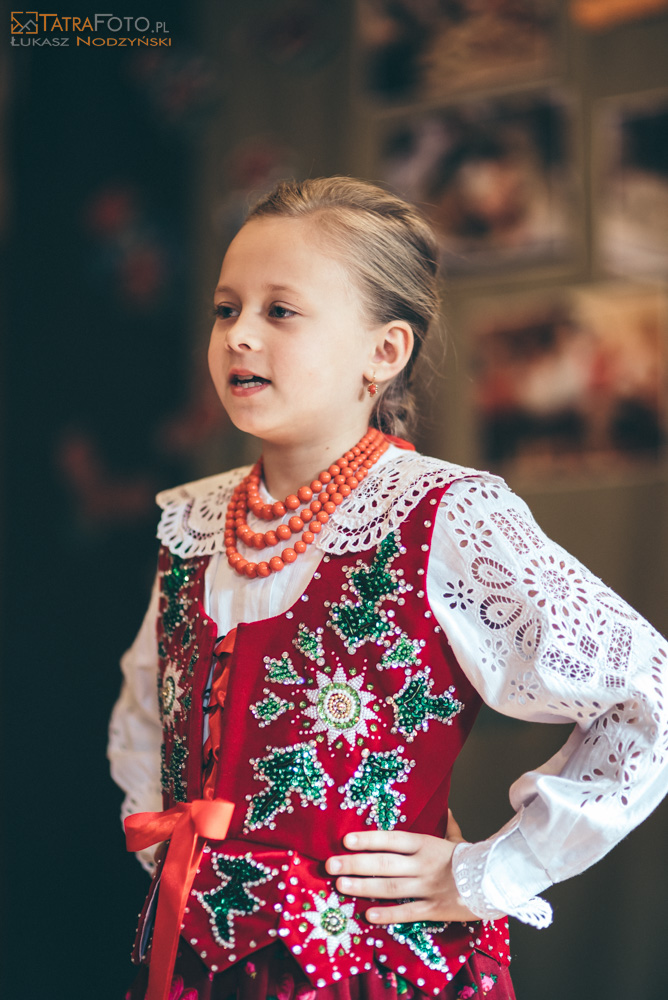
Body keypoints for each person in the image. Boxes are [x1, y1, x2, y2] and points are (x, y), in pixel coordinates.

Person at [109, 176, 668, 1000]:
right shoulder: (194, 521)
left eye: (280, 311)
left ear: (385, 351)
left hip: (371, 967)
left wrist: (489, 872)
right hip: (198, 960)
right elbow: (145, 709)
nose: (239, 335)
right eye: (226, 310)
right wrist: (177, 859)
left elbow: (647, 693)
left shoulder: (444, 514)